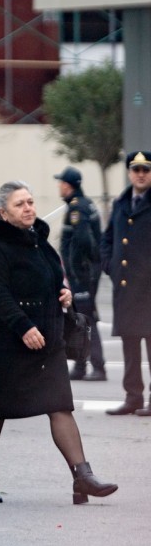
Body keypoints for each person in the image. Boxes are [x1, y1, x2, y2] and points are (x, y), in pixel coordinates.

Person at [0, 181, 117, 505]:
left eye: (31, 202)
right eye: (20, 204)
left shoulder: (40, 242)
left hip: (46, 342)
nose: (28, 208)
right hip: (4, 342)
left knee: (60, 405)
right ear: (3, 212)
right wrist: (23, 327)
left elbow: (52, 280)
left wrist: (62, 294)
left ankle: (82, 476)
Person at [101, 150, 151, 415]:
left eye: (145, 170)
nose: (140, 175)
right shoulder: (122, 202)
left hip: (150, 291)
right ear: (130, 172)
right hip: (126, 289)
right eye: (136, 170)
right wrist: (108, 265)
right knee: (130, 347)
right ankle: (133, 397)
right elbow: (107, 239)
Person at [55, 166, 106, 382]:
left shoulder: (77, 208)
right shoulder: (84, 204)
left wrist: (76, 269)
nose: (59, 186)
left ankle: (98, 367)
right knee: (80, 319)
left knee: (86, 320)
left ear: (67, 185)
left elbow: (83, 241)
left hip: (82, 275)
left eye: (61, 183)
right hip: (85, 273)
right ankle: (81, 365)